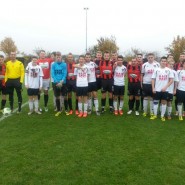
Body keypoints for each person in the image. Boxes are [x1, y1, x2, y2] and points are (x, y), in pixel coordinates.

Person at [150, 57, 174, 121]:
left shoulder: (169, 70)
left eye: (165, 61)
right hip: (157, 89)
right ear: (160, 62)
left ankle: (162, 116)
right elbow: (153, 79)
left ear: (166, 62)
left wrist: (165, 87)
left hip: (165, 90)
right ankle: (155, 115)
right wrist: (153, 88)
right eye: (162, 61)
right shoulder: (156, 69)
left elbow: (171, 80)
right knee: (155, 102)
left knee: (164, 102)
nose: (163, 62)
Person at [51, 52, 68, 116]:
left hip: (63, 82)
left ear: (61, 57)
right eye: (57, 57)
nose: (58, 58)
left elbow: (65, 73)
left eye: (59, 57)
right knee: (57, 97)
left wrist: (62, 81)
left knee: (65, 96)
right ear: (55, 58)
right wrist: (57, 81)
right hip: (56, 83)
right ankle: (58, 110)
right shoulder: (53, 65)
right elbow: (53, 74)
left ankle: (66, 110)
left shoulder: (64, 64)